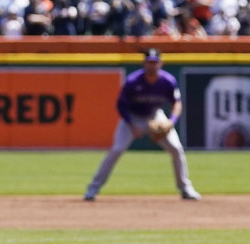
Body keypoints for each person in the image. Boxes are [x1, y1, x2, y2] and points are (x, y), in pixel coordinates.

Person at [84, 48, 201, 201]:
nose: (152, 65)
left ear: (161, 63)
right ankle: (93, 189)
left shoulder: (168, 81)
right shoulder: (133, 81)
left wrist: (170, 122)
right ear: (144, 63)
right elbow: (121, 106)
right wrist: (132, 126)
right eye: (149, 62)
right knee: (117, 149)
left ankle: (186, 189)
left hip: (155, 115)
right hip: (132, 118)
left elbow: (177, 104)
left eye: (155, 62)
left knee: (176, 149)